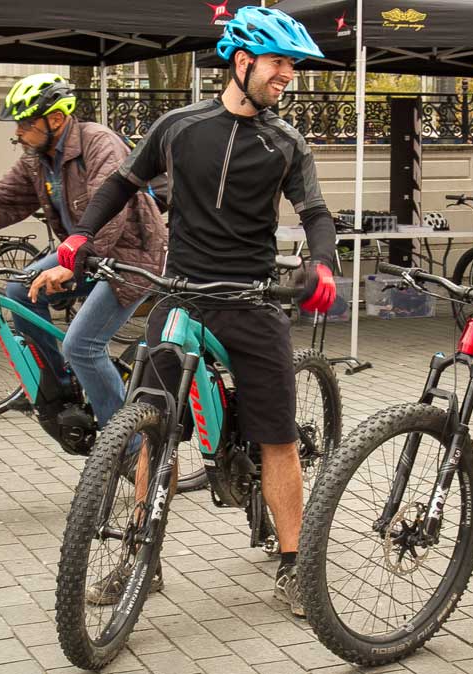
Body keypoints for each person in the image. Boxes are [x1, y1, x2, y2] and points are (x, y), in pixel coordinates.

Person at [55, 5, 337, 616]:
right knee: (151, 428)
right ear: (242, 62)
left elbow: (315, 212)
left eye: (292, 65)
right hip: (181, 295)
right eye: (280, 63)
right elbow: (122, 184)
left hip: (252, 298)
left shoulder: (286, 142)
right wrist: (80, 235)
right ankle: (141, 559)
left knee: (277, 437)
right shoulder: (179, 127)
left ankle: (295, 565)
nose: (288, 74)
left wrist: (322, 263)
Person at [0, 74, 166, 436]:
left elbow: (110, 210)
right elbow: (0, 200)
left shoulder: (99, 144)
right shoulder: (37, 159)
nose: (18, 132)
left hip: (131, 259)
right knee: (19, 290)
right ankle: (59, 384)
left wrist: (68, 264)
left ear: (56, 119)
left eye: (25, 123)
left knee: (82, 345)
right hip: (85, 254)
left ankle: (126, 446)